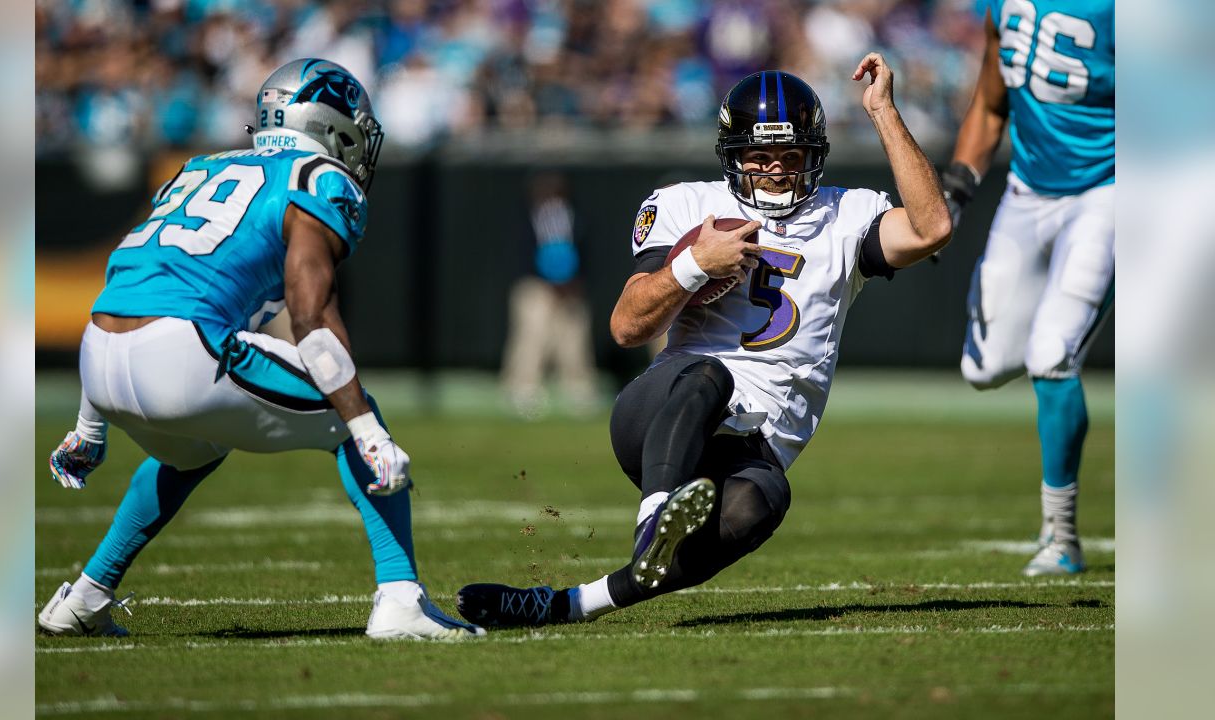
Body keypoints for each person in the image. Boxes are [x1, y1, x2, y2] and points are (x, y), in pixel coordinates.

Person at [457, 57, 951, 626]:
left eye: (790, 157)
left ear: (813, 158)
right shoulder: (687, 205)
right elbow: (626, 327)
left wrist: (884, 112)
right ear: (732, 155)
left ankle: (572, 603)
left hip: (754, 445)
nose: (774, 171)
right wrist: (694, 264)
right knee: (710, 375)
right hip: (667, 412)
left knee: (763, 503)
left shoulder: (844, 215)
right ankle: (654, 518)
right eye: (759, 156)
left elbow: (931, 227)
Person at [38, 58, 484, 641]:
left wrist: (88, 425)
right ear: (331, 125)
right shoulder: (319, 178)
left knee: (194, 451)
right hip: (181, 349)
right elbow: (311, 317)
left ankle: (84, 598)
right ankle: (401, 600)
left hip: (98, 352)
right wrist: (367, 429)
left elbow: (127, 285)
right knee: (353, 417)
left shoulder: (200, 166)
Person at [940, 1, 1114, 576]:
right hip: (1029, 189)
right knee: (983, 368)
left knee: (1051, 353)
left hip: (1111, 188)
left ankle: (1060, 536)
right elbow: (992, 104)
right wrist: (954, 196)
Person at [499, 172, 598, 418]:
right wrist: (547, 279)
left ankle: (579, 389)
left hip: (571, 288)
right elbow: (523, 252)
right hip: (536, 286)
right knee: (532, 338)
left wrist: (573, 281)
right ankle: (524, 389)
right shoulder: (527, 217)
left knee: (574, 339)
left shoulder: (575, 217)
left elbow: (581, 252)